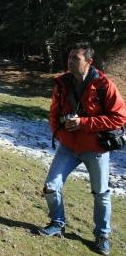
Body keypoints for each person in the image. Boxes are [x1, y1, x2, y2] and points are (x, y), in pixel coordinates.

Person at [38, 42, 126, 255]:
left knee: (101, 193)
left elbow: (120, 117)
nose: (70, 61)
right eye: (69, 57)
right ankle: (57, 223)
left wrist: (84, 123)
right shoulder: (62, 83)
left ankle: (102, 234)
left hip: (95, 148)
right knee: (51, 186)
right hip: (68, 146)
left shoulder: (104, 85)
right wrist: (59, 133)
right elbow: (53, 114)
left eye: (75, 58)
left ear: (89, 61)